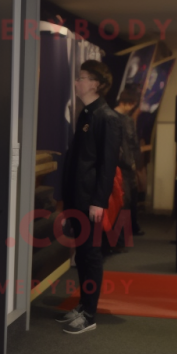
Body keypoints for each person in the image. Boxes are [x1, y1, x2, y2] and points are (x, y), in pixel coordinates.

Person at [58, 60, 122, 334]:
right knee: (82, 256)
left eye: (82, 78)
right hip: (76, 197)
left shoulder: (107, 118)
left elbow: (108, 166)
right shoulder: (87, 114)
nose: (77, 82)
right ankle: (83, 305)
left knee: (91, 255)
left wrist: (99, 201)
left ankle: (90, 314)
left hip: (90, 200)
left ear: (96, 83)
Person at [113, 87, 144, 243]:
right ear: (130, 103)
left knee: (120, 200)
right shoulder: (126, 120)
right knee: (127, 199)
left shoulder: (107, 117)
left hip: (113, 164)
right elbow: (132, 144)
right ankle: (122, 236)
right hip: (125, 166)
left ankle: (122, 236)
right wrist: (135, 164)